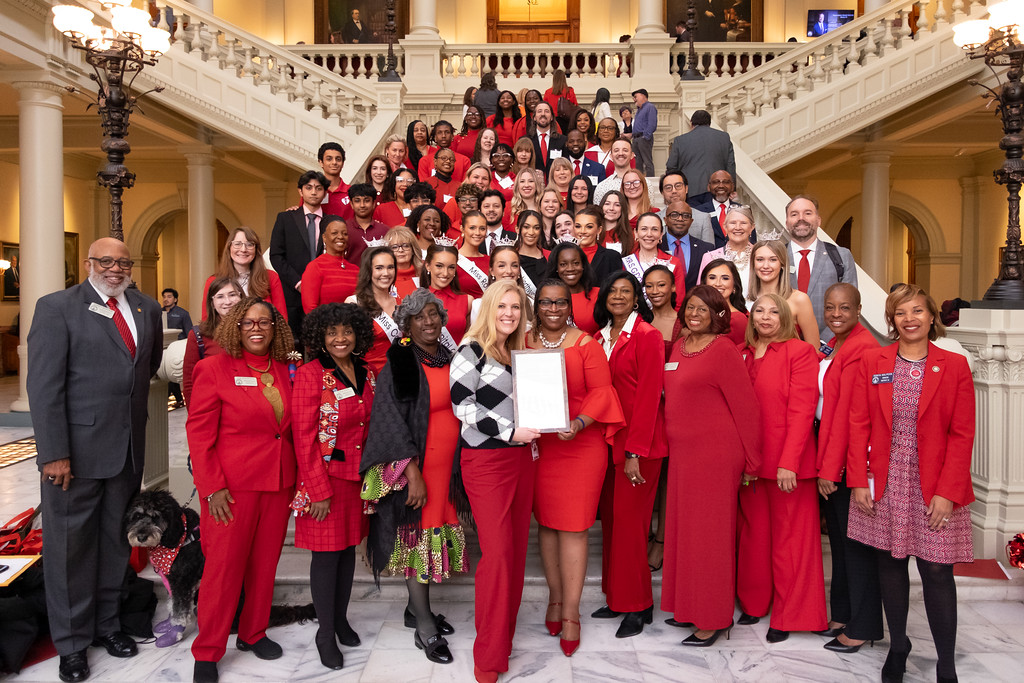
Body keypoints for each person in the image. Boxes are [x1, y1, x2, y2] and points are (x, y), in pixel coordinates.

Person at [28, 238, 162, 683]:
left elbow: (146, 367)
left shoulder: (145, 308)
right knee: (69, 550)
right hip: (75, 457)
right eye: (106, 260)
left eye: (123, 262)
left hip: (126, 452)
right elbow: (44, 388)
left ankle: (108, 626)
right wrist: (54, 454)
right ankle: (71, 644)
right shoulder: (57, 307)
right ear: (89, 263)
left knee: (114, 543)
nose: (116, 268)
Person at [847, 285, 975, 683]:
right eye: (901, 313)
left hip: (935, 485)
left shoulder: (953, 366)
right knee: (890, 563)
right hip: (884, 480)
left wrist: (947, 493)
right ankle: (898, 645)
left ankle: (946, 663)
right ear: (892, 321)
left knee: (938, 571)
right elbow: (858, 423)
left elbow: (962, 433)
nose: (910, 319)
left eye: (918, 311)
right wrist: (857, 481)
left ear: (932, 317)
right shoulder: (873, 361)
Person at [187, 298, 296, 683]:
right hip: (230, 490)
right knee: (223, 570)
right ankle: (208, 650)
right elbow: (199, 436)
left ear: (275, 328)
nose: (256, 328)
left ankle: (253, 633)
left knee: (264, 567)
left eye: (264, 322)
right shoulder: (212, 369)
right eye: (249, 322)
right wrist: (212, 487)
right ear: (235, 325)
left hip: (279, 483)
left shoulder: (285, 369)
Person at [361, 289, 468, 666]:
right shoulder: (401, 362)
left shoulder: (449, 358)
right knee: (417, 540)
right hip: (419, 469)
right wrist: (412, 473)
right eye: (419, 317)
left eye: (435, 316)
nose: (429, 322)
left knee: (431, 532)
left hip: (448, 470)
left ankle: (413, 609)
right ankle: (424, 624)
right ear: (406, 323)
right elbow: (389, 422)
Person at [449, 280, 540, 683]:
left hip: (523, 461)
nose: (509, 313)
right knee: (498, 556)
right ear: (488, 308)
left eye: (516, 308)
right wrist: (509, 430)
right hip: (487, 462)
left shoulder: (520, 352)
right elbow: (461, 406)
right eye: (502, 306)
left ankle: (502, 638)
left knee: (516, 556)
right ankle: (487, 655)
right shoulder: (471, 350)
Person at [528, 278, 624, 654]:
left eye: (560, 303)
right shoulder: (525, 342)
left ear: (570, 306)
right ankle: (554, 598)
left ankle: (571, 612)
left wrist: (579, 423)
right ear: (536, 305)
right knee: (548, 526)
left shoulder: (586, 344)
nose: (553, 309)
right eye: (546, 303)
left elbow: (602, 393)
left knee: (574, 528)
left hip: (579, 444)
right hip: (541, 448)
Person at [661, 285, 760, 646]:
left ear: (719, 314)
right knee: (686, 534)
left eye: (704, 309)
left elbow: (746, 408)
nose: (695, 313)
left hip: (716, 456)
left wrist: (752, 460)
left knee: (710, 538)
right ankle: (689, 607)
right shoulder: (678, 348)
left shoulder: (723, 350)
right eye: (690, 307)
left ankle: (714, 617)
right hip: (684, 457)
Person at [735, 293, 827, 642]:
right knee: (754, 538)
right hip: (751, 466)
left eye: (775, 311)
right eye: (760, 311)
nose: (767, 317)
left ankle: (792, 617)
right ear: (751, 316)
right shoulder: (742, 354)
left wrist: (789, 462)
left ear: (786, 317)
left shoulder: (800, 352)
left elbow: (802, 410)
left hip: (790, 466)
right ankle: (755, 605)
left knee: (792, 544)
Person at [292, 303, 375, 670]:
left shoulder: (367, 371)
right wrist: (318, 490)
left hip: (357, 480)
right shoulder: (312, 374)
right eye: (332, 333)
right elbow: (303, 436)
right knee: (326, 558)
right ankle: (325, 633)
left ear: (357, 334)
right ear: (320, 338)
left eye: (346, 331)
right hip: (323, 481)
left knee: (345, 554)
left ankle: (340, 620)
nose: (340, 338)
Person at [589, 273, 663, 639]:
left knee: (632, 529)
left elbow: (649, 398)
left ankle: (639, 605)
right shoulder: (600, 336)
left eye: (626, 291)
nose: (618, 296)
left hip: (638, 448)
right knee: (613, 526)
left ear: (637, 299)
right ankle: (618, 597)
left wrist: (635, 450)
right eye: (612, 291)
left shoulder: (647, 336)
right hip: (605, 445)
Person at [814, 283, 884, 654]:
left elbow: (849, 416)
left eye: (844, 308)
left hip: (844, 464)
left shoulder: (862, 348)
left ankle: (865, 625)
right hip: (829, 451)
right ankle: (843, 614)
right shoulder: (835, 341)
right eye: (830, 307)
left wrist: (831, 470)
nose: (836, 314)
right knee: (840, 546)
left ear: (858, 310)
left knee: (856, 547)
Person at [785, 195, 859, 342]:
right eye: (794, 214)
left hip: (829, 345)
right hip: (784, 344)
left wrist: (824, 343)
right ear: (787, 223)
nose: (801, 218)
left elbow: (850, 305)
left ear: (818, 220)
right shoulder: (774, 258)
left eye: (807, 213)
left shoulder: (841, 256)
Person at [270, 170, 334, 339]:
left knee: (323, 341)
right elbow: (276, 255)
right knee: (294, 344)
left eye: (319, 188)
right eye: (309, 187)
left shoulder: (331, 222)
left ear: (325, 192)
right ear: (300, 191)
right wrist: (298, 283)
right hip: (293, 294)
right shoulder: (285, 218)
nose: (314, 192)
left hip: (323, 293)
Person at [205, 226, 288, 322]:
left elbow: (282, 318)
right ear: (229, 247)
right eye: (237, 244)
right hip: (223, 336)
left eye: (249, 244)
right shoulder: (213, 281)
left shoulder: (271, 277)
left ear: (256, 250)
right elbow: (207, 321)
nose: (243, 249)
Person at [748, 240, 821, 347]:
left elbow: (814, 349)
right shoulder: (745, 299)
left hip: (789, 362)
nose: (765, 265)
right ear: (753, 263)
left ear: (782, 263)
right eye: (760, 259)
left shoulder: (800, 299)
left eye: (773, 260)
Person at [183, 276, 243, 406]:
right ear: (212, 303)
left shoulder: (253, 329)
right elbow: (189, 383)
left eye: (232, 295)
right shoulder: (198, 335)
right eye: (220, 297)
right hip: (213, 406)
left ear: (241, 297)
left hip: (248, 407)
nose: (227, 301)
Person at [348, 246, 401, 373]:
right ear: (368, 270)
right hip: (370, 377)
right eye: (379, 268)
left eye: (390, 267)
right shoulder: (354, 303)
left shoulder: (400, 302)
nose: (386, 273)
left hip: (399, 376)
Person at [666, 109, 736, 201]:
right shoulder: (724, 137)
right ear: (709, 123)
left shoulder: (680, 140)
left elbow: (671, 167)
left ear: (691, 124)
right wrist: (732, 189)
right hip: (718, 190)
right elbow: (730, 165)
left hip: (690, 191)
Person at [301, 218, 358, 314]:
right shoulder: (315, 267)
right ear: (324, 237)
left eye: (345, 234)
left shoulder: (356, 270)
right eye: (334, 233)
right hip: (325, 327)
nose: (340, 237)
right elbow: (310, 309)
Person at [423, 241, 474, 346]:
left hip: (457, 361)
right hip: (423, 361)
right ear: (428, 266)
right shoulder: (416, 299)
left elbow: (470, 342)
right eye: (439, 266)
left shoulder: (467, 301)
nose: (445, 273)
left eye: (451, 267)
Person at [697, 205, 756, 293]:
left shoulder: (760, 255)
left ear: (752, 227)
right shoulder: (710, 257)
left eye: (743, 223)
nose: (738, 227)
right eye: (733, 223)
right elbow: (701, 292)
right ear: (725, 227)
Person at [625, 212, 686, 299]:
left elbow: (679, 300)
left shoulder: (673, 263)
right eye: (644, 229)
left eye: (654, 229)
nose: (649, 234)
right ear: (636, 233)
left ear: (661, 234)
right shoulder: (625, 263)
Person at [545, 240, 600, 335]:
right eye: (563, 264)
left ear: (583, 265)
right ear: (556, 268)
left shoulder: (598, 294)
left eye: (576, 263)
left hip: (591, 348)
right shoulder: (546, 297)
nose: (570, 269)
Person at [661, 198, 715, 291]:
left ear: (691, 221)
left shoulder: (705, 249)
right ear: (665, 220)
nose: (680, 219)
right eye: (674, 215)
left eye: (686, 216)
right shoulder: (657, 246)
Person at [701, 258, 749, 346]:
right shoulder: (695, 314)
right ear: (704, 284)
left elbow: (741, 355)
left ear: (734, 286)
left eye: (725, 278)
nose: (718, 283)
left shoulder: (738, 319)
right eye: (712, 278)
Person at [690, 171, 742, 248]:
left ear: (732, 187)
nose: (721, 185)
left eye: (726, 182)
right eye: (716, 182)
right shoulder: (698, 212)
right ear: (709, 187)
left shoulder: (742, 210)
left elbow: (751, 241)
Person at [344, 183, 389, 267]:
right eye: (357, 201)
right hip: (349, 276)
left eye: (367, 200)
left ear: (373, 203)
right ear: (351, 204)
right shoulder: (344, 229)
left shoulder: (385, 230)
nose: (362, 205)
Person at [162, 287, 192, 407]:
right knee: (167, 375)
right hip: (163, 348)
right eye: (164, 297)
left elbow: (189, 332)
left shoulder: (182, 314)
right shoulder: (159, 313)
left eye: (169, 297)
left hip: (177, 350)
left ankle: (168, 400)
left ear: (175, 299)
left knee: (171, 374)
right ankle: (179, 400)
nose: (166, 299)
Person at [456, 210, 493, 298]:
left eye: (482, 228)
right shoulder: (453, 259)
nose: (477, 233)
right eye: (472, 228)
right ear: (462, 229)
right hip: (463, 310)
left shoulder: (491, 260)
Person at [318, 143, 354, 222]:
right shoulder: (313, 191)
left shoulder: (352, 192)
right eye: (329, 159)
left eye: (338, 159)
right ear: (321, 162)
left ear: (343, 163)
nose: (334, 162)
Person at [385, 226, 424, 299]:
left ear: (413, 250)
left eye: (405, 246)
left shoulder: (424, 273)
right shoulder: (383, 277)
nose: (400, 250)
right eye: (394, 247)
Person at [529, 102, 567, 175]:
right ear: (534, 117)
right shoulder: (527, 141)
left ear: (552, 117)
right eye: (539, 111)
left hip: (556, 183)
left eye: (546, 111)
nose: (543, 114)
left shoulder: (562, 140)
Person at [593, 139, 635, 205]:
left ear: (632, 155)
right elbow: (598, 213)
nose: (621, 153)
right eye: (616, 150)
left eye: (625, 150)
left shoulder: (645, 184)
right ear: (611, 156)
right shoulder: (602, 187)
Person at [515, 210, 550, 288]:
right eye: (526, 227)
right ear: (517, 229)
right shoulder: (512, 258)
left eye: (536, 228)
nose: (531, 232)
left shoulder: (550, 257)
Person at [630, 89, 657, 176]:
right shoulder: (639, 110)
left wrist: (645, 137)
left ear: (643, 96)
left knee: (647, 162)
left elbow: (652, 124)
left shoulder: (650, 107)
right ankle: (639, 180)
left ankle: (650, 182)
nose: (634, 99)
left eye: (635, 97)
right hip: (636, 139)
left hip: (643, 138)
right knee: (637, 162)